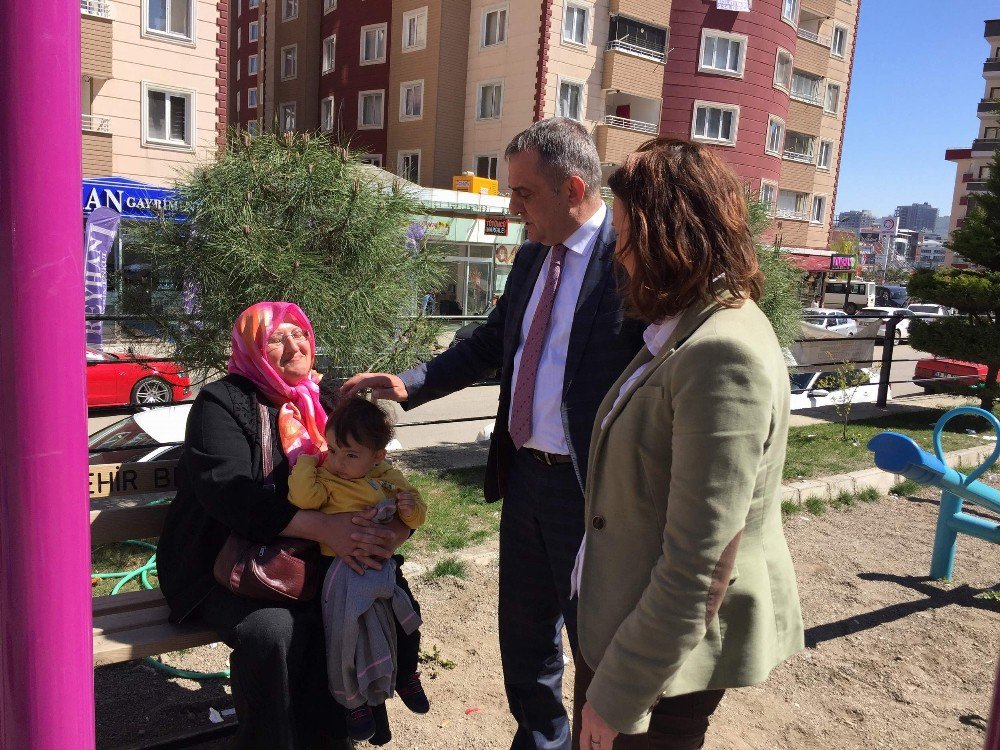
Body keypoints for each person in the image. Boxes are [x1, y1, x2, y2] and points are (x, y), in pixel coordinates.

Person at [342, 117, 646, 750]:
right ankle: (539, 741)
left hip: (595, 495)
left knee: (598, 641)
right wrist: (410, 382)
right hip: (526, 479)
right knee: (525, 637)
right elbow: (490, 342)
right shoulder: (535, 256)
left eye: (523, 194)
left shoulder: (632, 258)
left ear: (571, 187)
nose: (513, 209)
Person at [573, 138, 805, 750]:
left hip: (659, 660)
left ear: (663, 236)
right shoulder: (689, 329)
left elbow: (702, 563)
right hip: (634, 628)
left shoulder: (719, 351)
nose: (616, 253)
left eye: (622, 233)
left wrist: (619, 690)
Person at [156, 301, 411, 750]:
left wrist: (395, 531)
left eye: (299, 334)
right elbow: (227, 494)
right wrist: (324, 529)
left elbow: (377, 474)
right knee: (274, 630)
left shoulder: (330, 401)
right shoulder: (222, 402)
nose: (293, 345)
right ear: (253, 348)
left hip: (317, 558)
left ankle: (338, 733)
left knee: (375, 592)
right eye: (275, 338)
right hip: (229, 563)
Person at [287, 396, 429, 742]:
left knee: (408, 618)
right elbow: (303, 499)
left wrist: (411, 508)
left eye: (350, 455)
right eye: (332, 449)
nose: (336, 461)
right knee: (345, 636)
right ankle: (353, 704)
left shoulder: (388, 477)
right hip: (338, 570)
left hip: (382, 567)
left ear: (377, 456)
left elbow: (416, 516)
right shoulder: (325, 478)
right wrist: (307, 461)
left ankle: (407, 674)